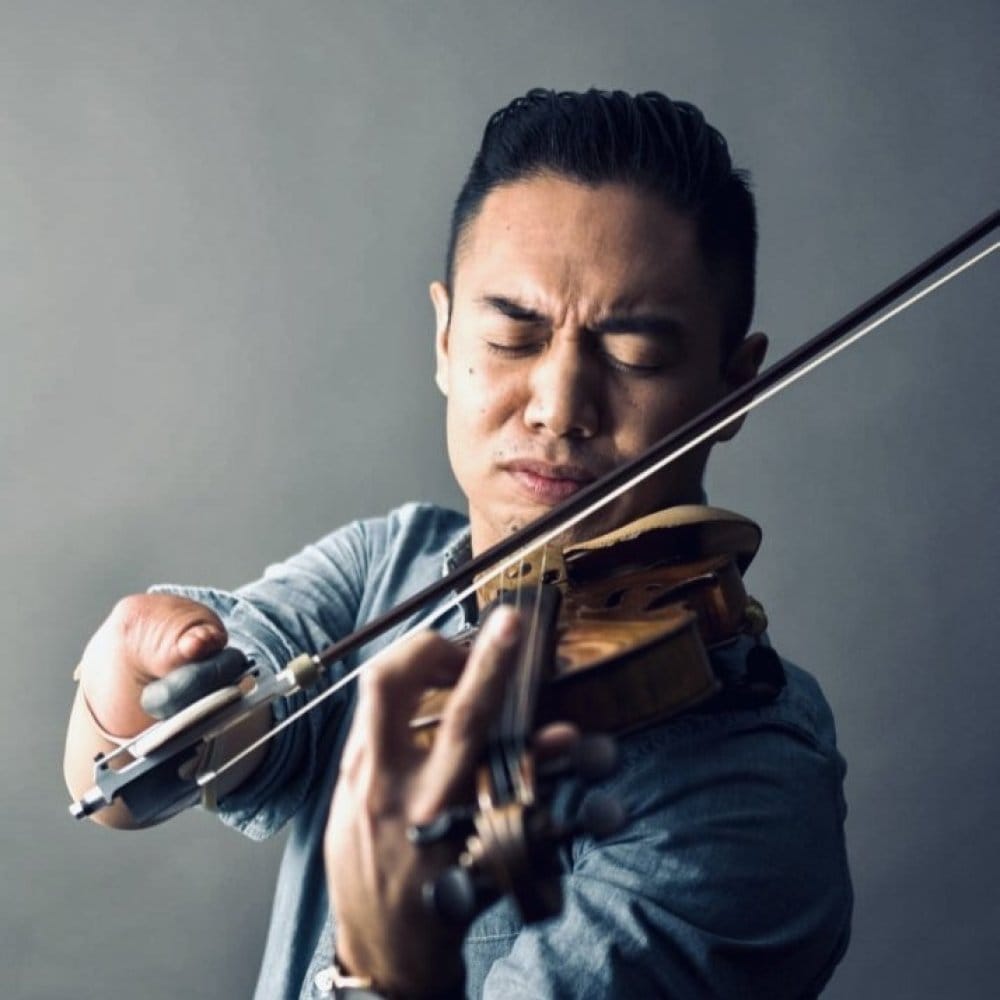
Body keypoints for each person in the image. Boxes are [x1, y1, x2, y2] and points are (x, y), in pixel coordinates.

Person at [64, 89, 852, 998]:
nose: (559, 406)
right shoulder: (387, 568)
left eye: (635, 358)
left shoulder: (748, 802)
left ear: (734, 390)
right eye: (513, 336)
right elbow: (126, 789)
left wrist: (381, 972)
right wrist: (132, 675)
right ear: (445, 339)